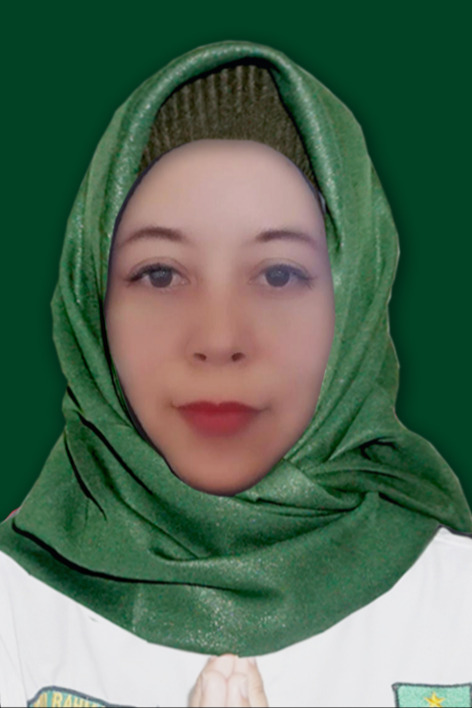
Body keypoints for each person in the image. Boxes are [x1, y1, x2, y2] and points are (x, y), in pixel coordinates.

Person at [0, 40, 471, 708]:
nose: (219, 339)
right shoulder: (16, 614)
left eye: (278, 275)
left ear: (355, 305)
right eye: (160, 275)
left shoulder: (457, 608)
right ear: (92, 302)